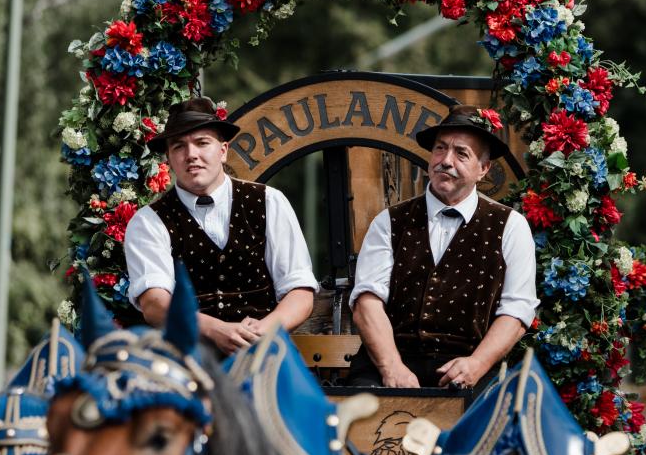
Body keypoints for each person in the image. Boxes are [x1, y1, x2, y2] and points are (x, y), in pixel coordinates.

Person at [348, 104, 536, 390]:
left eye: (461, 153)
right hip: (389, 362)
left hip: (470, 365)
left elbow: (517, 310)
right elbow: (367, 303)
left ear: (483, 169)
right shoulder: (389, 221)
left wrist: (478, 364)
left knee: (491, 425)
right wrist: (392, 367)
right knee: (358, 419)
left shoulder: (511, 226)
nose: (446, 160)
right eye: (440, 149)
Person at [124, 96, 317, 354]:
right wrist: (215, 330)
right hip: (188, 357)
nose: (191, 155)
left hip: (265, 350)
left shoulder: (270, 202)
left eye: (202, 143)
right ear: (169, 158)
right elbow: (155, 305)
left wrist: (258, 333)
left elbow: (300, 292)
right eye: (179, 147)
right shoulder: (148, 221)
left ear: (223, 150)